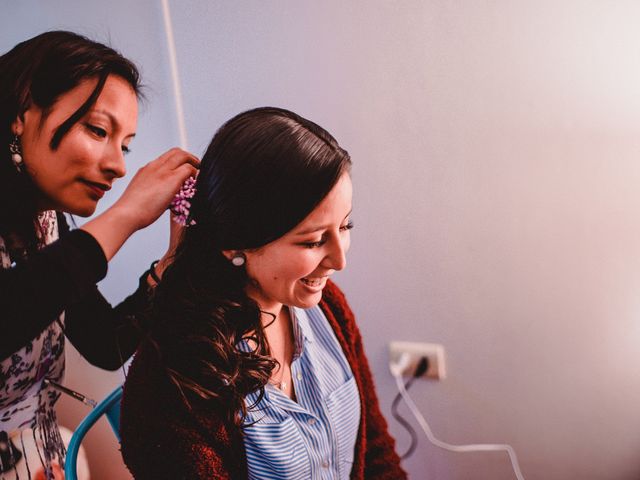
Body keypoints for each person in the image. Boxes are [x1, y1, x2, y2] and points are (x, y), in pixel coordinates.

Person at [120, 107, 407, 479]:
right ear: (235, 243)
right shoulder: (173, 386)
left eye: (345, 225)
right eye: (314, 241)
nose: (339, 260)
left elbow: (377, 454)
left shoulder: (329, 308)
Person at [0, 31, 198, 479]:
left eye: (124, 146)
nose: (119, 166)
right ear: (21, 114)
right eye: (97, 130)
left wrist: (171, 262)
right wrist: (127, 214)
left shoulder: (47, 221)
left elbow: (104, 343)